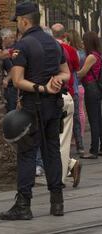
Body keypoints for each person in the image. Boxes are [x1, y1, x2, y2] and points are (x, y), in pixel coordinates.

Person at [0, 2, 70, 220]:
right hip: (54, 105)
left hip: (33, 105)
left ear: (24, 21)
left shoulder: (24, 45)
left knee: (27, 153)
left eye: (17, 22)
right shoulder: (54, 43)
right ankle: (57, 202)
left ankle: (23, 204)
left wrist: (41, 87)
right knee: (52, 151)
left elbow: (18, 80)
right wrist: (56, 82)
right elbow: (66, 73)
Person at [51, 23, 82, 187]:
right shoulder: (70, 50)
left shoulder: (47, 47)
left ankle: (61, 176)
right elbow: (76, 69)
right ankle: (69, 165)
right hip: (67, 93)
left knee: (54, 138)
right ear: (64, 35)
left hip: (51, 95)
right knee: (61, 138)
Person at [76, 31, 102, 159]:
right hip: (96, 88)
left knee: (94, 120)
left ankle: (93, 150)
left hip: (91, 88)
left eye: (83, 40)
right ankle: (100, 148)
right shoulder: (98, 54)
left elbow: (82, 73)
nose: (82, 43)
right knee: (98, 118)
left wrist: (72, 73)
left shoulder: (91, 56)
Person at [66, 29, 86, 154]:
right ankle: (80, 140)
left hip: (73, 85)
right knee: (79, 113)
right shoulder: (82, 52)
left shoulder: (71, 51)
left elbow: (77, 70)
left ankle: (73, 139)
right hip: (79, 85)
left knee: (73, 115)